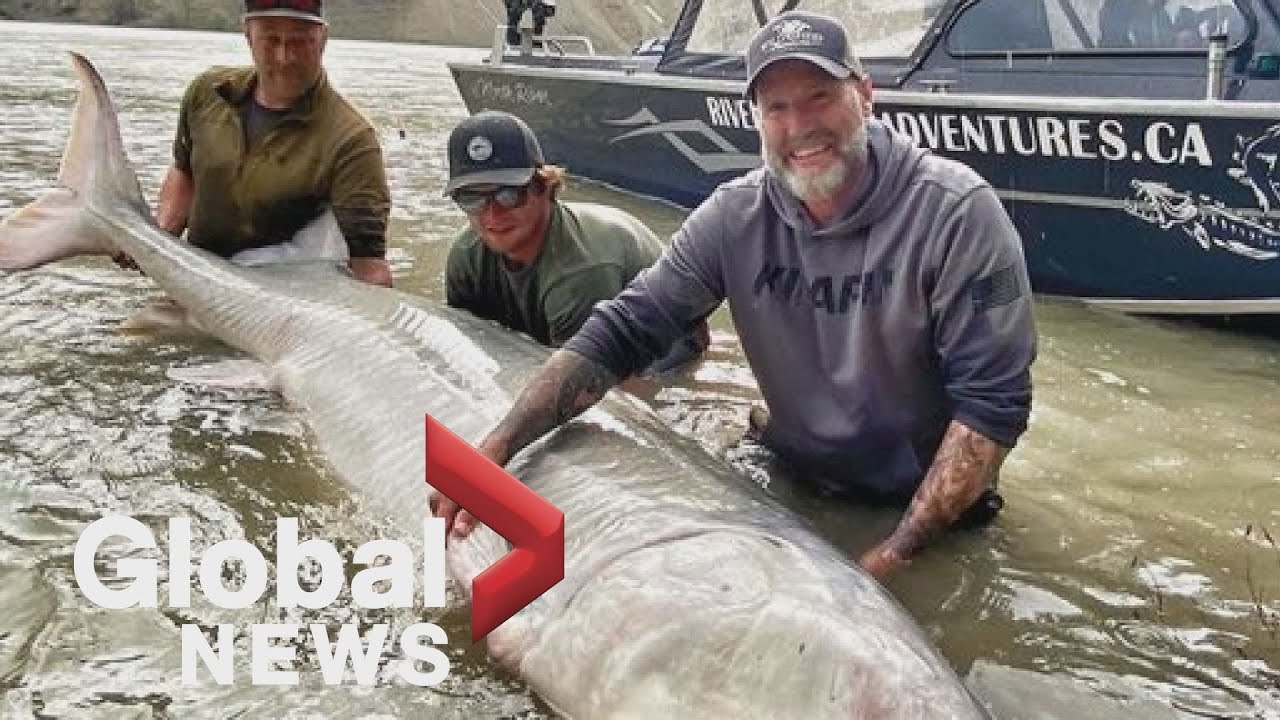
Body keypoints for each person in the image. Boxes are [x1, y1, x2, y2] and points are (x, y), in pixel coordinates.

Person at [431, 11, 1036, 580]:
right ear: (756, 118)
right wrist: (497, 448)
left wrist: (891, 559)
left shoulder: (958, 213)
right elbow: (623, 330)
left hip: (927, 512)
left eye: (819, 97)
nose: (799, 126)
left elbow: (991, 406)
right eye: (776, 107)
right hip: (787, 476)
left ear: (865, 93)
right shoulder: (734, 216)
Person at [130, 0, 393, 286]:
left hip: (283, 298)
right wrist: (159, 238)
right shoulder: (207, 93)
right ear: (248, 35)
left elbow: (368, 266)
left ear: (323, 39)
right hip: (195, 281)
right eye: (270, 40)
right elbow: (184, 169)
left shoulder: (353, 140)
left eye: (299, 42)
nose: (284, 57)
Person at [442, 110, 708, 367]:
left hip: (665, 348)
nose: (492, 213)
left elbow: (582, 383)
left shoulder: (582, 270)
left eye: (509, 195)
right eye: (471, 198)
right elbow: (467, 348)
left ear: (545, 187)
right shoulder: (465, 256)